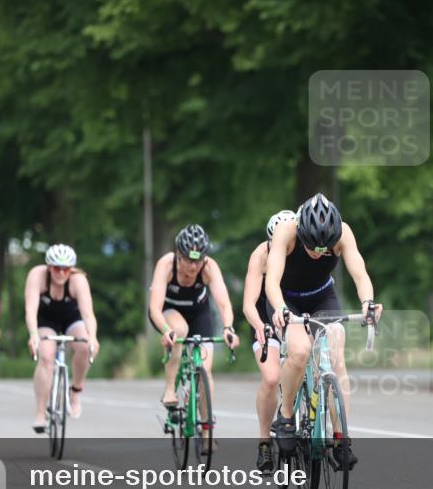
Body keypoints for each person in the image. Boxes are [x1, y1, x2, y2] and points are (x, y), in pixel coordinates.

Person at [265, 193, 382, 470]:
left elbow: (360, 274)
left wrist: (368, 303)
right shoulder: (286, 231)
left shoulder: (343, 234)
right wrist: (281, 309)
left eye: (324, 248)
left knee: (336, 353)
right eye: (312, 247)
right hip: (287, 298)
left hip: (322, 297)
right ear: (301, 232)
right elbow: (271, 281)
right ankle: (285, 415)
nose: (318, 252)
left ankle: (341, 438)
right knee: (300, 350)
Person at [149, 224, 239, 452]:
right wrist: (165, 330)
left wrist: (228, 328)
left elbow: (224, 304)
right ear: (178, 255)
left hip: (199, 314)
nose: (192, 267)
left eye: (198, 261)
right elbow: (154, 309)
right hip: (169, 313)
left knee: (204, 373)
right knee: (179, 331)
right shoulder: (166, 265)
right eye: (188, 260)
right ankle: (170, 389)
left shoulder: (209, 268)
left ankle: (207, 431)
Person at [24, 244, 100, 433]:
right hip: (46, 319)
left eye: (66, 269)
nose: (61, 273)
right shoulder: (37, 275)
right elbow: (31, 309)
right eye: (56, 268)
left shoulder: (78, 280)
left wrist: (93, 338)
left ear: (71, 269)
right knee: (47, 356)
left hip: (71, 318)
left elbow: (88, 314)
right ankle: (41, 413)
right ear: (49, 267)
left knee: (84, 346)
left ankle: (75, 391)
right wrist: (33, 335)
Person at [242, 209, 297, 472]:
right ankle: (264, 442)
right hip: (267, 321)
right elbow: (249, 304)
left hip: (295, 318)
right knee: (272, 377)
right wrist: (260, 326)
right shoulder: (260, 255)